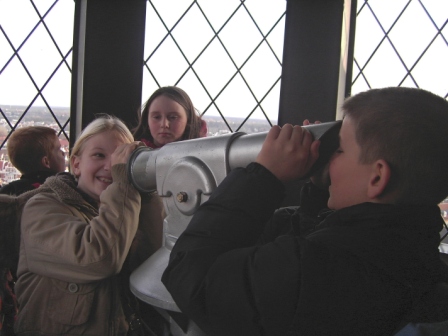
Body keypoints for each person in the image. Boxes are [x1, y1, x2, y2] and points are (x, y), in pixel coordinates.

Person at [162, 87, 448, 335]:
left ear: (376, 177)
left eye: (339, 150)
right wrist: (321, 188)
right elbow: (323, 245)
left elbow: (190, 275)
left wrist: (263, 176)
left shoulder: (314, 271)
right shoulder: (405, 254)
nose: (330, 156)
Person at [13, 115, 164, 335]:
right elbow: (99, 258)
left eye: (119, 159)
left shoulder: (127, 207)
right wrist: (123, 182)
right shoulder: (41, 208)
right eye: (99, 155)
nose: (111, 167)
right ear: (76, 164)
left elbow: (154, 261)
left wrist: (147, 191)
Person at [133, 86, 207, 148]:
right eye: (157, 117)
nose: (164, 124)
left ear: (188, 120)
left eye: (173, 117)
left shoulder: (205, 154)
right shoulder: (129, 155)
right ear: (147, 121)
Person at [0, 126, 66, 195]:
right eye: (58, 149)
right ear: (46, 162)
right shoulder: (59, 192)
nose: (63, 153)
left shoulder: (9, 191)